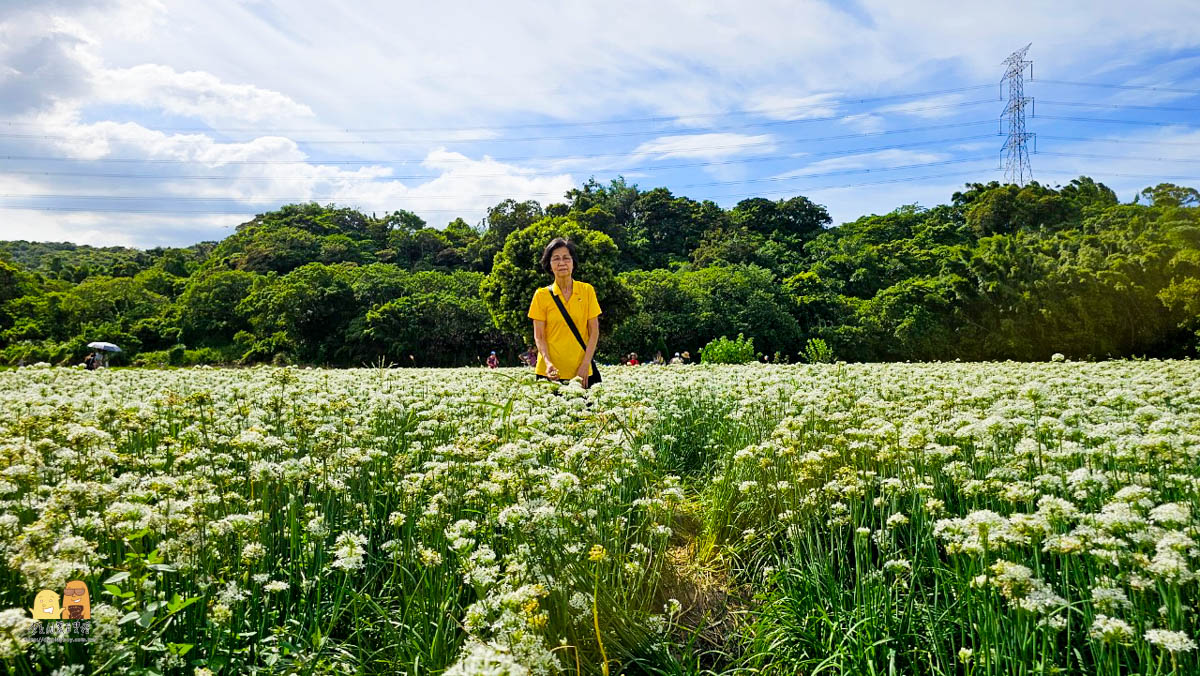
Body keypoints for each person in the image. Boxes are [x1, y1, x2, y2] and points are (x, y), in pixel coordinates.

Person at [527, 237, 602, 389]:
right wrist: (548, 364)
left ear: (573, 262)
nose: (562, 263)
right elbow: (539, 336)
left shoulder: (587, 291)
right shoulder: (541, 295)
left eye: (566, 258)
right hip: (550, 373)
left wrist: (585, 365)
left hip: (581, 372)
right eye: (556, 259)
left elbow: (594, 332)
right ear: (549, 265)